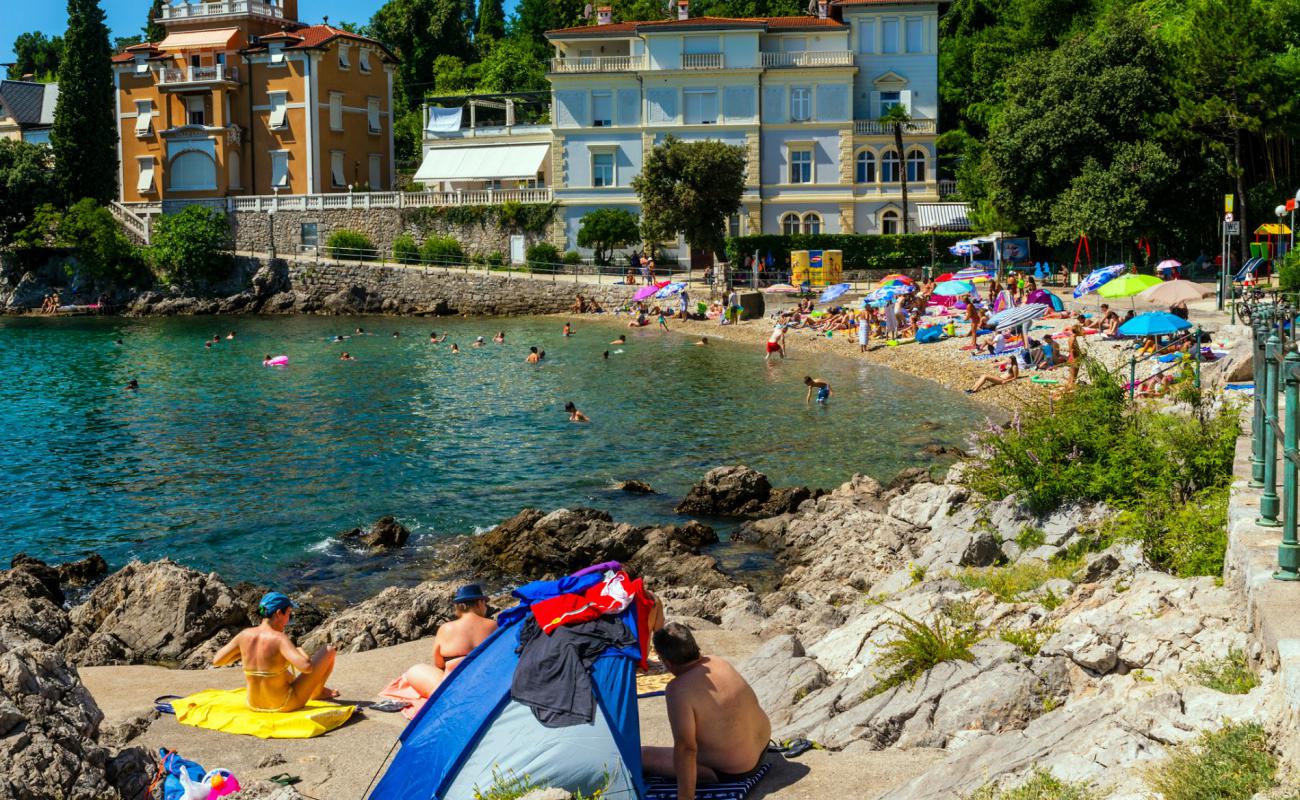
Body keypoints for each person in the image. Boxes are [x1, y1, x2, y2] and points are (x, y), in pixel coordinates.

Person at [641, 623, 771, 799]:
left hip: (734, 769)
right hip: (762, 749)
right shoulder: (718, 662)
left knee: (642, 756)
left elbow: (686, 748)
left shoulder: (678, 690)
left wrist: (685, 797)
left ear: (667, 662)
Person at [212, 592, 338, 712]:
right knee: (329, 650)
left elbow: (217, 660)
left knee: (280, 670)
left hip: (253, 704)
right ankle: (318, 692)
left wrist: (244, 653)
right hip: (283, 704)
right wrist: (300, 651)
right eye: (288, 614)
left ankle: (319, 691)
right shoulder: (279, 638)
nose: (289, 619)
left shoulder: (244, 634)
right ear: (278, 613)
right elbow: (307, 667)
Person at [404, 585, 498, 698]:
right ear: (479, 603)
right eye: (485, 603)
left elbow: (438, 663)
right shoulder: (494, 626)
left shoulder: (446, 628)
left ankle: (441, 699)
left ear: (458, 607)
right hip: (485, 685)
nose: (486, 607)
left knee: (415, 670)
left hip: (452, 690)